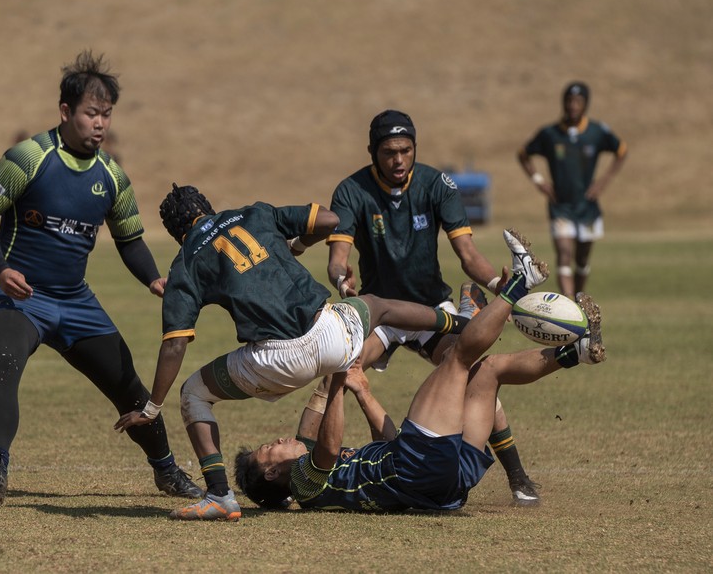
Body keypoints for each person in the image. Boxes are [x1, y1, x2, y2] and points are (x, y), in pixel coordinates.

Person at [114, 183, 477, 521]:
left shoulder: (186, 260)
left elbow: (176, 342)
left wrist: (152, 406)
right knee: (376, 305)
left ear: (178, 232)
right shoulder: (253, 214)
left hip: (276, 363)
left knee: (194, 392)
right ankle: (460, 325)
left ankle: (219, 496)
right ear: (208, 207)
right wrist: (297, 246)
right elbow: (330, 220)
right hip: (332, 335)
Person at [0, 50, 201, 506]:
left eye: (106, 115)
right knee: (6, 360)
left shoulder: (112, 177)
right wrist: (2, 269)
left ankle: (167, 471)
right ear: (66, 112)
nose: (100, 124)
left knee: (127, 384)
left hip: (75, 302)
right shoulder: (28, 157)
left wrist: (155, 280)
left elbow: (130, 241)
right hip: (18, 296)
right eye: (91, 113)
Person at [235, 231, 607, 513]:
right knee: (458, 359)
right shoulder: (302, 482)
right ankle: (519, 283)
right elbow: (327, 445)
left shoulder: (326, 475)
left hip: (439, 481)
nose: (278, 440)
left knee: (488, 371)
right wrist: (335, 375)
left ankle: (577, 353)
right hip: (417, 467)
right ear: (271, 473)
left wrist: (362, 391)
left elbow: (385, 441)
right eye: (270, 448)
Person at [326, 109, 541, 505]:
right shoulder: (351, 190)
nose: (398, 160)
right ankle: (312, 471)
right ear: (372, 151)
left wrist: (499, 286)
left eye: (406, 151)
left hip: (431, 310)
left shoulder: (436, 184)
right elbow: (338, 257)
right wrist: (342, 278)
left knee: (473, 374)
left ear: (414, 149)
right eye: (389, 152)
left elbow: (468, 254)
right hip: (383, 314)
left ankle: (518, 477)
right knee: (339, 367)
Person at [517, 81, 628, 300]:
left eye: (578, 101)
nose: (573, 106)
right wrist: (538, 180)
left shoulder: (596, 132)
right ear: (563, 103)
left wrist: (603, 181)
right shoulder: (550, 134)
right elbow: (523, 154)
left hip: (587, 207)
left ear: (586, 104)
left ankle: (579, 296)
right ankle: (570, 306)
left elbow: (621, 150)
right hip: (561, 206)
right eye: (569, 100)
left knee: (582, 260)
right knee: (564, 255)